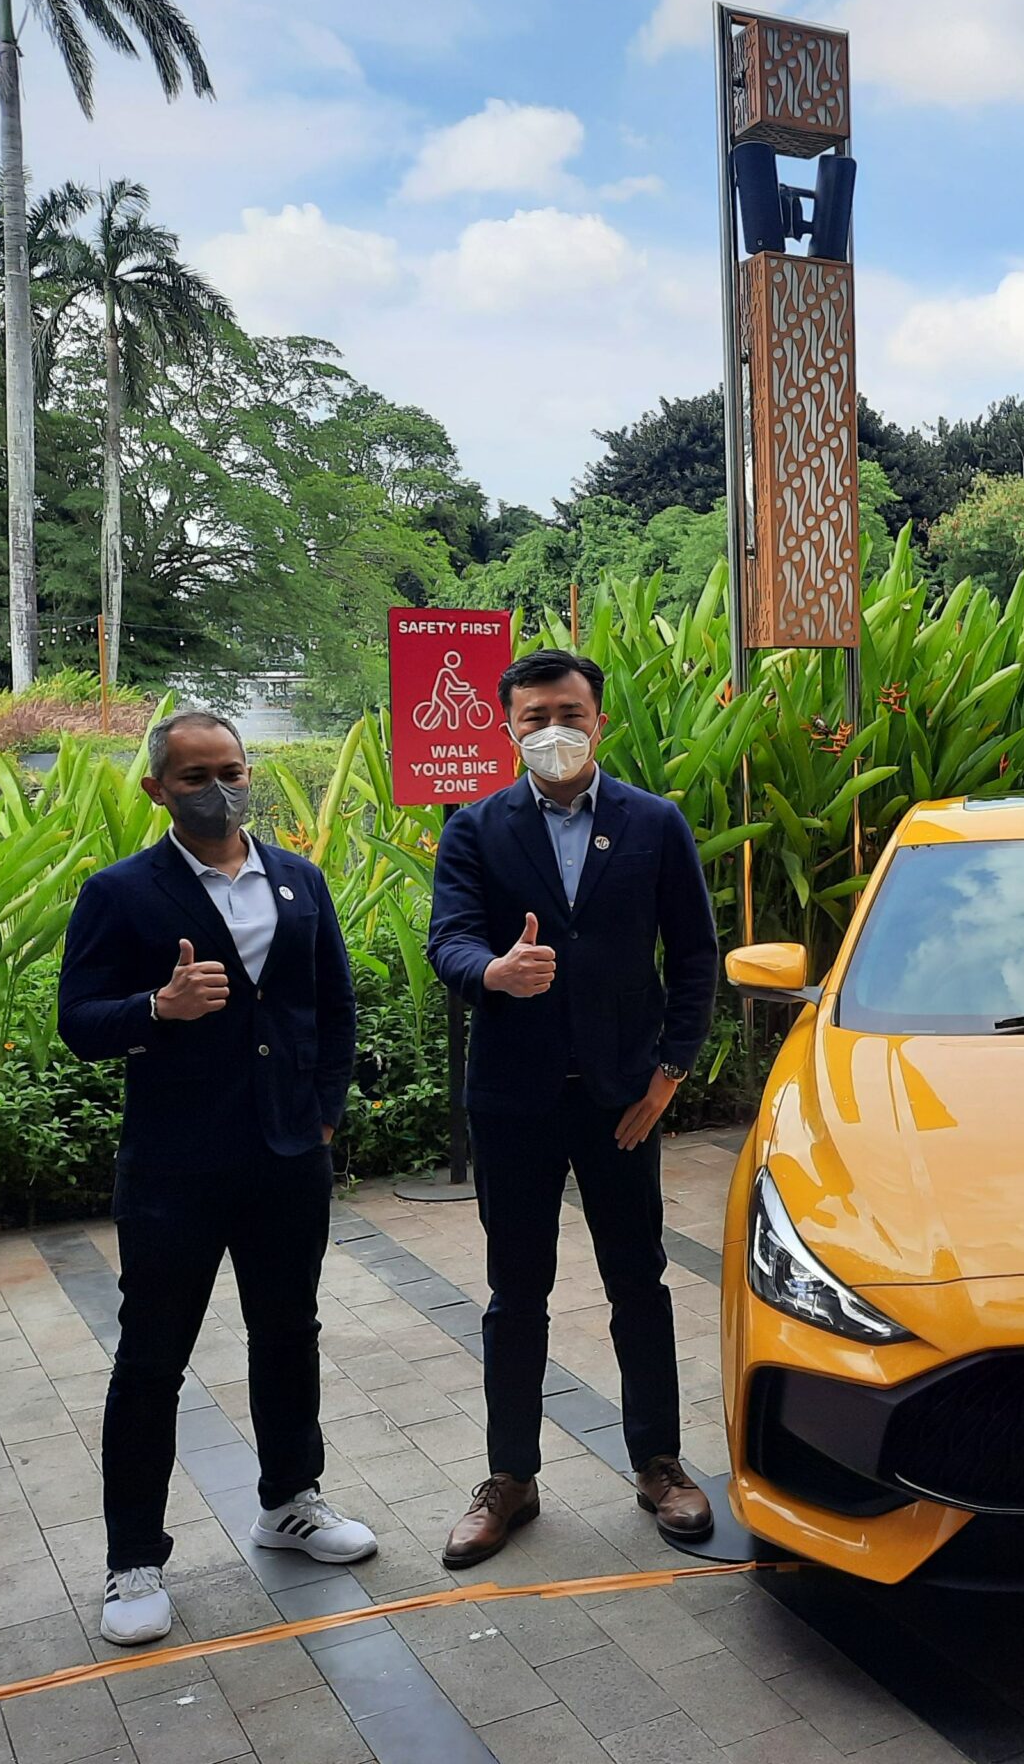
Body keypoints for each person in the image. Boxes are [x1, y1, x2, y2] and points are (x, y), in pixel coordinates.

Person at [58, 712, 376, 1647]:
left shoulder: (297, 877)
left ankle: (290, 1501)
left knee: (288, 1333)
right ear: (157, 788)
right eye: (194, 776)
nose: (218, 789)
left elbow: (332, 1004)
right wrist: (156, 1008)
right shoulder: (121, 892)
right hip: (176, 1165)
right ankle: (133, 1560)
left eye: (230, 770)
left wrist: (323, 1115)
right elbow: (78, 1020)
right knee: (152, 1360)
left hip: (287, 1156)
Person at [426, 649, 720, 1566]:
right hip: (513, 1099)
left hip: (621, 1100)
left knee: (639, 1282)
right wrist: (495, 972)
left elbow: (696, 957)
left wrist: (668, 1076)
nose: (553, 730)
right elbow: (448, 940)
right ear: (508, 728)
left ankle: (659, 1463)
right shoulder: (476, 829)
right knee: (516, 1293)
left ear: (599, 721)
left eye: (569, 714)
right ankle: (509, 1479)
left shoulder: (653, 822)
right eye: (534, 717)